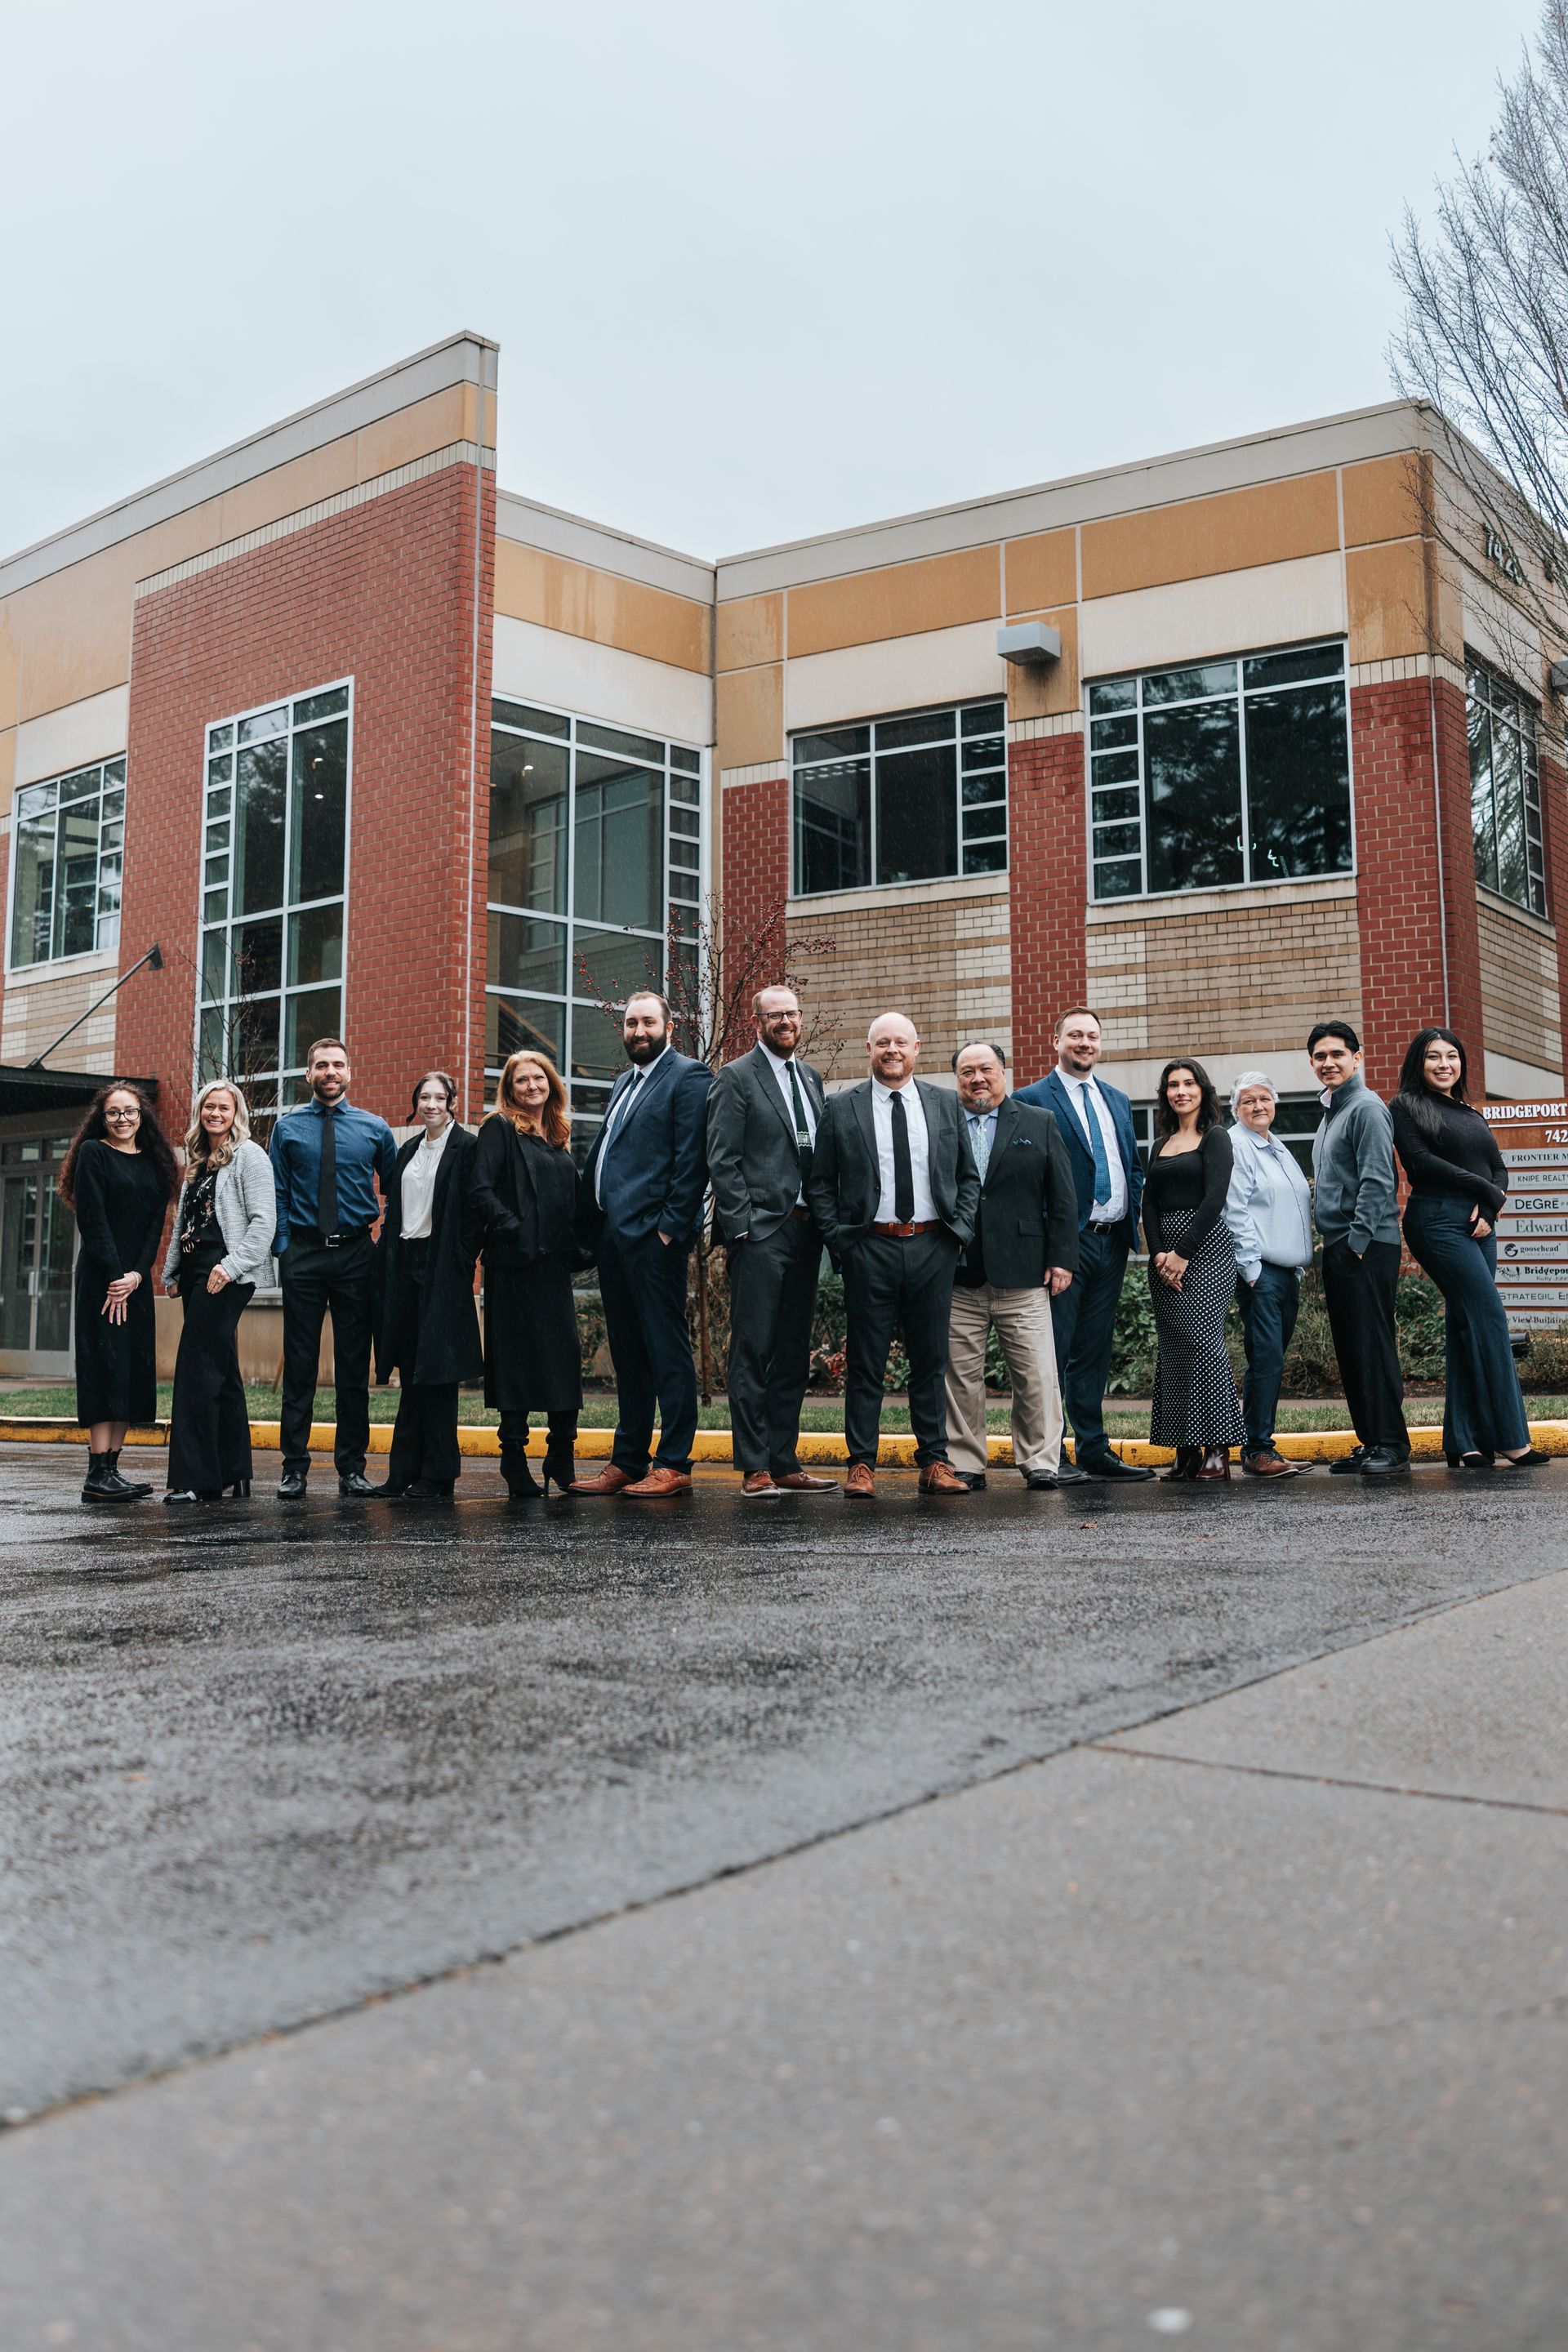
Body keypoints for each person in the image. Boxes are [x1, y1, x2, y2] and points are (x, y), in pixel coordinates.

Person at [806, 1010, 978, 1498]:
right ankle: (861, 1464)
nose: (892, 1051)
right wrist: (842, 1240)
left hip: (933, 1245)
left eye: (901, 1042)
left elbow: (968, 1177)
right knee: (866, 1362)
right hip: (870, 1247)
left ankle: (935, 1461)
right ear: (870, 1049)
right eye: (883, 1043)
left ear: (917, 1048)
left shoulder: (946, 1104)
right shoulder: (842, 1108)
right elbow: (821, 1184)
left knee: (930, 1361)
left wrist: (957, 1234)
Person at [572, 992, 711, 1498]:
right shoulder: (624, 1082)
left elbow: (692, 1160)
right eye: (630, 1023)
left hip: (656, 1240)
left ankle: (673, 1461)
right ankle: (628, 1460)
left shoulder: (688, 1077)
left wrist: (669, 1229)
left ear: (668, 1028)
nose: (637, 1030)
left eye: (647, 1022)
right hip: (615, 1238)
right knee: (628, 1355)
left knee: (666, 1351)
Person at [1392, 1027, 1548, 1472]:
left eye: (1452, 1057)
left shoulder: (1470, 1112)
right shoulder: (1405, 1106)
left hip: (1481, 1222)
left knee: (1466, 1322)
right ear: (1418, 1064)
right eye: (1433, 1057)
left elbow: (1498, 1167)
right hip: (1437, 1220)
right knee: (1489, 1315)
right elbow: (1421, 1163)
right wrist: (1486, 1191)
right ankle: (1511, 1439)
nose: (1444, 1064)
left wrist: (1490, 1207)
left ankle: (1464, 1441)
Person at [706, 985, 836, 1498]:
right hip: (761, 1232)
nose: (785, 1021)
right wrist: (743, 1225)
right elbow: (722, 1158)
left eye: (792, 1014)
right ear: (756, 1022)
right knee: (753, 1349)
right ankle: (755, 1467)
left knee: (791, 1351)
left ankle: (783, 1460)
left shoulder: (810, 1077)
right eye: (775, 1015)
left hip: (806, 1232)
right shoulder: (735, 1077)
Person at [1015, 1008, 1152, 1481]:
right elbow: (1027, 1183)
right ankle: (1051, 1454)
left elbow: (1131, 1165)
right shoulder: (1031, 1099)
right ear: (1057, 1041)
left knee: (1094, 1351)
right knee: (1052, 1352)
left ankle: (1093, 1448)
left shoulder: (1115, 1097)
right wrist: (1053, 1249)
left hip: (1111, 1243)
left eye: (1092, 1036)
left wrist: (1130, 1218)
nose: (1085, 1043)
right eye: (1075, 1035)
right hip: (1064, 1249)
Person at [943, 1040, 1084, 1491]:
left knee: (1037, 1374)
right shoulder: (941, 1122)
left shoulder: (1038, 1121)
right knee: (960, 1376)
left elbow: (1062, 1196)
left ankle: (1041, 1460)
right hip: (959, 1272)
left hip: (1025, 1272)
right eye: (967, 1072)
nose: (977, 1078)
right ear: (957, 1079)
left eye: (986, 1069)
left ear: (1004, 1073)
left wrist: (1062, 1258)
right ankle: (965, 1461)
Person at [269, 1038, 398, 1499]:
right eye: (320, 1064)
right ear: (308, 1074)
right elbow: (278, 1194)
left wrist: (380, 1243)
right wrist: (284, 1247)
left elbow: (397, 1189)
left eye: (338, 1064)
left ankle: (352, 1468)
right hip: (302, 1255)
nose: (330, 1071)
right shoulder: (286, 1129)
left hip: (355, 1255)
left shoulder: (374, 1128)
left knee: (351, 1365)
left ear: (350, 1072)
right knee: (300, 1365)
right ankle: (294, 1467)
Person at [469, 1050, 583, 1498]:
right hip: (513, 1266)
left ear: (551, 1085)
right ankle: (514, 1460)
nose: (532, 1086)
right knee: (516, 1362)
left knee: (563, 1360)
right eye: (522, 1081)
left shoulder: (556, 1135)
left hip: (553, 1267)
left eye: (539, 1079)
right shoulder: (499, 1127)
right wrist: (512, 1227)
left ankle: (561, 1455)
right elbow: (480, 1188)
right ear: (510, 1089)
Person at [60, 1082, 180, 1502]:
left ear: (141, 1116)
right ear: (101, 1117)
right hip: (101, 1281)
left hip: (134, 1282)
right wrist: (115, 1276)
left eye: (130, 1112)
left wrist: (135, 1275)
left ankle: (112, 1467)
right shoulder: (94, 1154)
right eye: (113, 1113)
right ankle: (96, 1472)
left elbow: (154, 1227)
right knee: (103, 1366)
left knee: (130, 1368)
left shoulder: (155, 1164)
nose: (122, 1119)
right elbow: (93, 1220)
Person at [160, 1081, 275, 1503]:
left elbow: (264, 1223)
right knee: (221, 1369)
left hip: (227, 1273)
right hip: (196, 1274)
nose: (215, 1113)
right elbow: (184, 1224)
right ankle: (235, 1471)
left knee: (196, 1366)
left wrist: (229, 1268)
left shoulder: (250, 1156)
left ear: (236, 1112)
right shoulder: (199, 1159)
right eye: (209, 1106)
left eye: (224, 1107)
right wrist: (172, 1269)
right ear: (200, 1111)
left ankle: (195, 1479)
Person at [1307, 1019, 1410, 1476]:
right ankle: (1371, 1441)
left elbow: (1378, 1178)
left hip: (1365, 1244)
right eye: (1320, 1056)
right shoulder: (1332, 1113)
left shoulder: (1367, 1107)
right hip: (1341, 1243)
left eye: (1337, 1054)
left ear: (1357, 1057)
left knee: (1373, 1345)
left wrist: (1359, 1241)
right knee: (1352, 1349)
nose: (1328, 1062)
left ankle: (1392, 1443)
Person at [375, 1071, 483, 1501]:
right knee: (412, 1372)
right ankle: (402, 1471)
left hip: (444, 1268)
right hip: (405, 1266)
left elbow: (477, 1210)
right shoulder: (408, 1150)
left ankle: (439, 1474)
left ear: (452, 1102)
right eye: (424, 1097)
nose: (431, 1104)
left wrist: (462, 1259)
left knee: (437, 1374)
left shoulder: (467, 1148)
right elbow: (396, 1208)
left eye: (439, 1097)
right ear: (416, 1102)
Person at [1143, 1061, 1245, 1480]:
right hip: (1165, 1256)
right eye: (1172, 1085)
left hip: (1205, 1251)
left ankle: (1218, 1451)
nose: (1180, 1091)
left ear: (1203, 1090)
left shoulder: (1216, 1138)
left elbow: (1214, 1198)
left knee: (1204, 1343)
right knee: (1176, 1349)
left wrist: (1182, 1252)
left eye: (1188, 1083)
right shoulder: (1161, 1143)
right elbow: (1148, 1202)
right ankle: (1185, 1452)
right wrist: (1158, 1254)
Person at [1223, 1071, 1314, 1478]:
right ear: (1236, 1109)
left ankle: (1261, 1445)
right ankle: (1258, 1451)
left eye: (1264, 1098)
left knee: (1270, 1362)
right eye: (1248, 1101)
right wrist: (1252, 1269)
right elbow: (1235, 1207)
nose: (1258, 1106)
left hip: (1285, 1273)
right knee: (1266, 1361)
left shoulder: (1275, 1146)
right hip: (1262, 1274)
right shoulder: (1237, 1144)